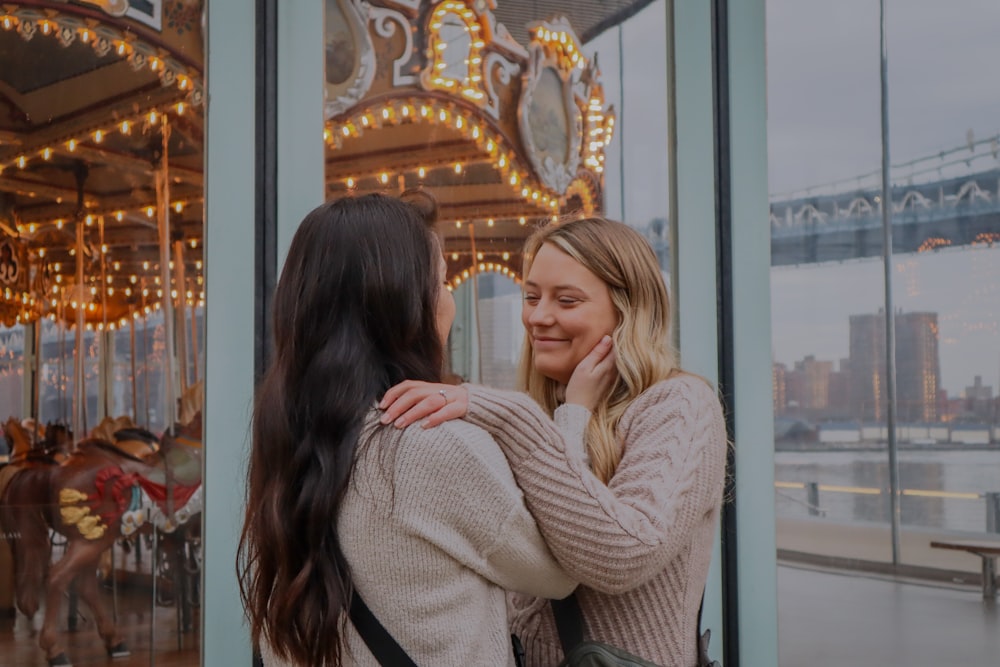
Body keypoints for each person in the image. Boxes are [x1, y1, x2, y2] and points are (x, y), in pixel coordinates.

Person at [237, 193, 575, 667]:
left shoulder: (288, 441)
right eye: (441, 281)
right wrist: (571, 418)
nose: (449, 298)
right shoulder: (434, 445)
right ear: (404, 305)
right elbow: (561, 571)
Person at [380, 216, 728, 667]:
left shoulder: (678, 404)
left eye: (566, 300)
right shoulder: (549, 409)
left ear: (628, 309)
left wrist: (511, 416)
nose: (538, 317)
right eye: (531, 296)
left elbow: (621, 556)